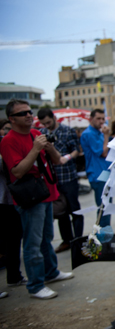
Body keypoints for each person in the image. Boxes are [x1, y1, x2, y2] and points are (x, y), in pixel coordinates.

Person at [0, 99, 73, 299]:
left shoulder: (36, 134)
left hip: (46, 192)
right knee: (33, 243)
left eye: (29, 111)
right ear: (11, 119)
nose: (28, 115)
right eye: (22, 113)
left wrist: (48, 147)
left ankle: (51, 273)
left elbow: (57, 160)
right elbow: (17, 171)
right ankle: (35, 285)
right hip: (30, 197)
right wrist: (35, 149)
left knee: (46, 238)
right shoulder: (8, 141)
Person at [37, 108, 83, 253]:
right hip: (53, 179)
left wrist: (66, 158)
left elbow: (76, 150)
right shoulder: (42, 134)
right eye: (44, 124)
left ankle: (78, 240)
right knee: (61, 212)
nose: (47, 126)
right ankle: (67, 240)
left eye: (49, 122)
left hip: (68, 176)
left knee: (75, 210)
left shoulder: (67, 131)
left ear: (54, 118)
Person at [0, 121, 26, 297]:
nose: (7, 133)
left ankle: (14, 275)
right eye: (5, 130)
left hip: (11, 199)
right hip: (3, 200)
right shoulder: (5, 144)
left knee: (15, 237)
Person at [80, 109, 112, 228]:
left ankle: (107, 235)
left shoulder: (98, 132)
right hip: (98, 175)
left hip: (104, 172)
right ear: (91, 119)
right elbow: (103, 153)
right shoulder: (88, 134)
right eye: (98, 118)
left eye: (103, 119)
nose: (101, 121)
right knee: (103, 208)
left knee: (107, 207)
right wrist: (106, 136)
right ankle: (103, 238)